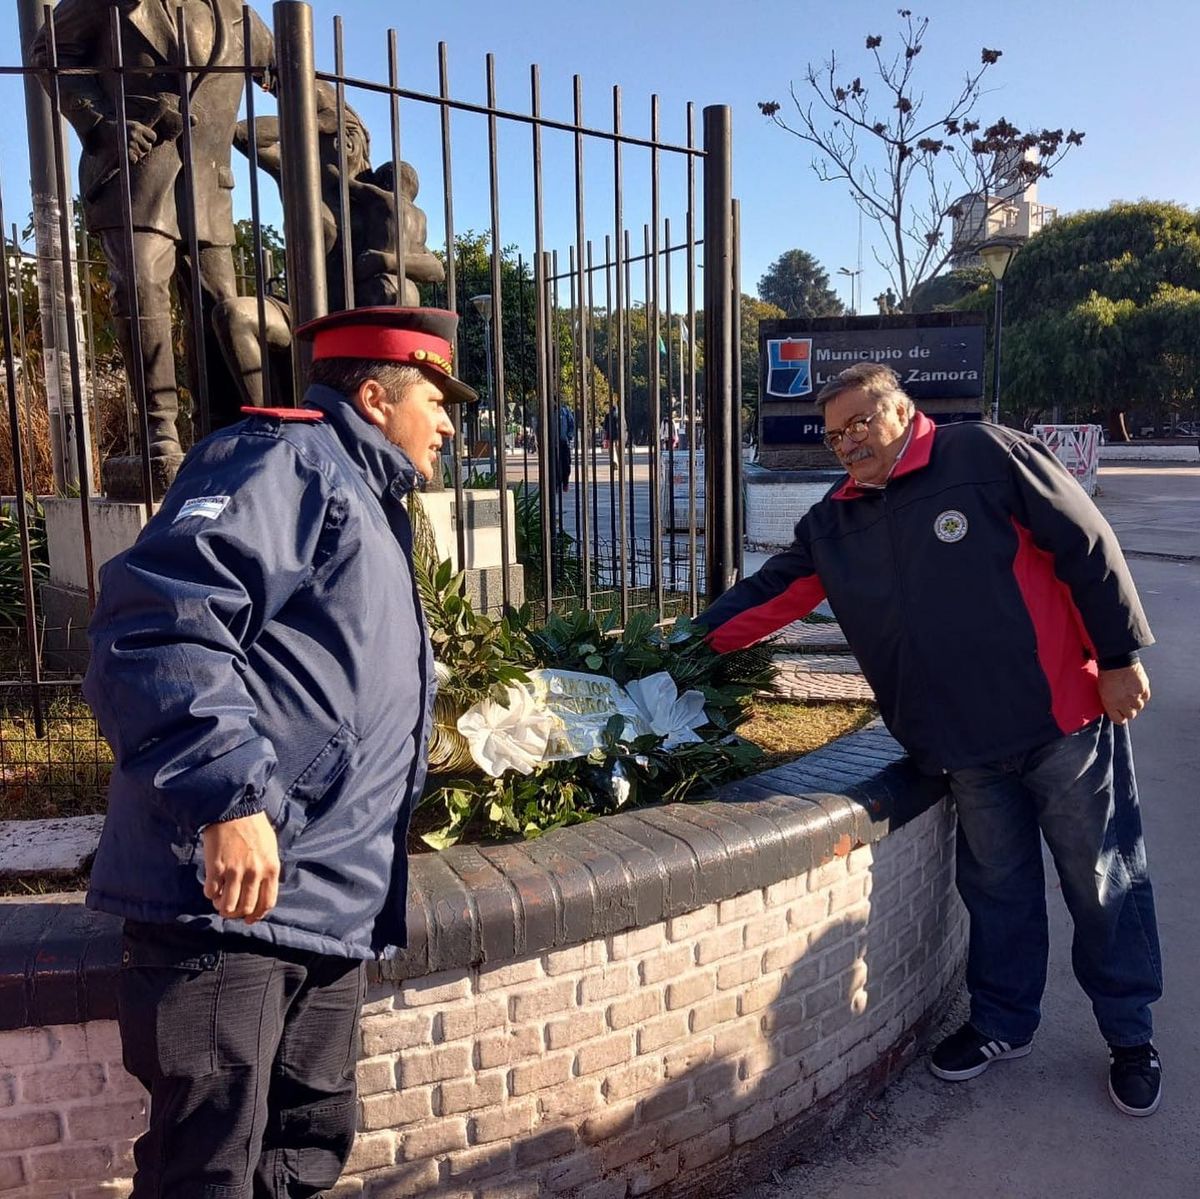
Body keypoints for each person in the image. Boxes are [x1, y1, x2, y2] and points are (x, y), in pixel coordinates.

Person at [697, 363, 1164, 1117]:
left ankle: (1131, 1033)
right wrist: (681, 650)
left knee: (1102, 879)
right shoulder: (835, 521)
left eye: (860, 423)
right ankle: (1003, 1022)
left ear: (902, 410)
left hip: (1063, 720)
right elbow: (767, 596)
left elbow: (1087, 540)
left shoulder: (981, 454)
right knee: (997, 888)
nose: (847, 443)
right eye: (834, 434)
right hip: (964, 744)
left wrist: (1117, 658)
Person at [81, 307, 475, 1195]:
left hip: (322, 904)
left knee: (300, 1153)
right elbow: (154, 625)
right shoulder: (283, 461)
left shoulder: (364, 496)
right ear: (375, 396)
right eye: (436, 399)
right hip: (230, 909)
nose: (450, 421)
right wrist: (227, 798)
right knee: (206, 1171)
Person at [31, 0, 277, 483]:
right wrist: (101, 124)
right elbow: (49, 54)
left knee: (219, 308)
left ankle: (225, 428)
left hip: (208, 186)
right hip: (135, 174)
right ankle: (158, 430)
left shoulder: (238, 15)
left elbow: (288, 70)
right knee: (142, 290)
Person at [558, 401, 576, 493]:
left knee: (566, 463)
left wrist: (568, 437)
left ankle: (565, 483)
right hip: (552, 443)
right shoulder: (548, 411)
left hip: (563, 442)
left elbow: (571, 425)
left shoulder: (565, 412)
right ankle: (556, 483)